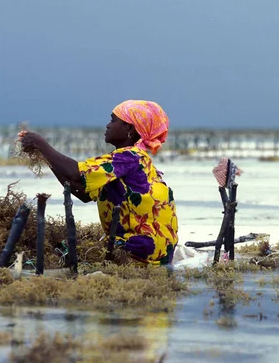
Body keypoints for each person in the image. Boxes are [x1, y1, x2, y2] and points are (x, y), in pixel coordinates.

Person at [19, 100, 178, 265]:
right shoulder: (130, 161)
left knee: (65, 252)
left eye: (113, 120)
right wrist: (43, 154)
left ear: (129, 128)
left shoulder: (130, 157)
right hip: (157, 248)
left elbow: (76, 173)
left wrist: (41, 144)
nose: (108, 126)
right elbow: (82, 191)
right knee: (69, 248)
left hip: (142, 247)